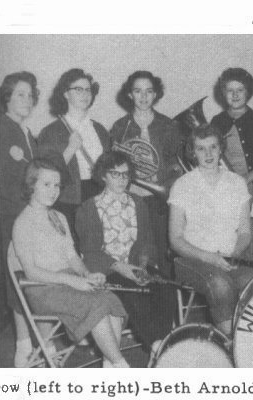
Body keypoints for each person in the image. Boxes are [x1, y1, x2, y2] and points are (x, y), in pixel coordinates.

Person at [12, 159, 129, 368]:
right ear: (31, 185)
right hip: (42, 289)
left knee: (109, 299)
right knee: (96, 305)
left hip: (67, 282)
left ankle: (110, 364)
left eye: (57, 185)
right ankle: (121, 365)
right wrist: (73, 281)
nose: (53, 191)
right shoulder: (23, 223)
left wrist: (86, 274)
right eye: (46, 185)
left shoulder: (58, 216)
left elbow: (72, 257)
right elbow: (31, 272)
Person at [75, 150, 177, 353]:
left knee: (166, 286)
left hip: (134, 265)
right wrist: (121, 267)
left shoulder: (138, 203)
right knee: (134, 294)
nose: (122, 180)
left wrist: (142, 265)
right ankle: (158, 347)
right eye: (115, 174)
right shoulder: (88, 209)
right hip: (106, 271)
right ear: (103, 175)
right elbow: (91, 253)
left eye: (126, 174)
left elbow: (147, 240)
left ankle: (165, 342)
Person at [168, 124, 253, 337]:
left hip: (229, 258)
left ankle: (248, 338)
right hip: (192, 260)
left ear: (220, 149)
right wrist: (210, 258)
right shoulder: (182, 185)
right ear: (193, 152)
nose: (208, 154)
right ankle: (231, 343)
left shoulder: (237, 183)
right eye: (200, 148)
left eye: (213, 147)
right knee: (220, 284)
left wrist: (233, 255)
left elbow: (245, 231)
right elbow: (176, 239)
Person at [110, 69, 184, 256]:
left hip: (160, 200)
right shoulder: (120, 127)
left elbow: (177, 165)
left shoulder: (168, 126)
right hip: (130, 197)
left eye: (149, 91)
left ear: (155, 94)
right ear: (129, 94)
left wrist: (164, 181)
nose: (143, 96)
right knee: (134, 250)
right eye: (137, 91)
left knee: (162, 250)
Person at [37, 69, 109, 236]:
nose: (84, 94)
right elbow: (46, 174)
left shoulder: (100, 129)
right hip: (68, 199)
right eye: (78, 89)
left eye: (88, 89)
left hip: (99, 194)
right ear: (65, 94)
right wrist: (70, 148)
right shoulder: (50, 132)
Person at [0, 71, 40, 363]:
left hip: (26, 217)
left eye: (29, 95)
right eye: (20, 94)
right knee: (17, 278)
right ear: (7, 98)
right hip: (10, 217)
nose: (27, 100)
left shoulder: (25, 132)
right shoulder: (1, 128)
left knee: (28, 276)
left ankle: (34, 342)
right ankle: (23, 347)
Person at [210, 68, 253, 194]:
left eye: (240, 90)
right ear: (223, 92)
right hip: (226, 187)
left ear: (248, 92)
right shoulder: (217, 121)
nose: (235, 95)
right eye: (230, 90)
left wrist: (252, 175)